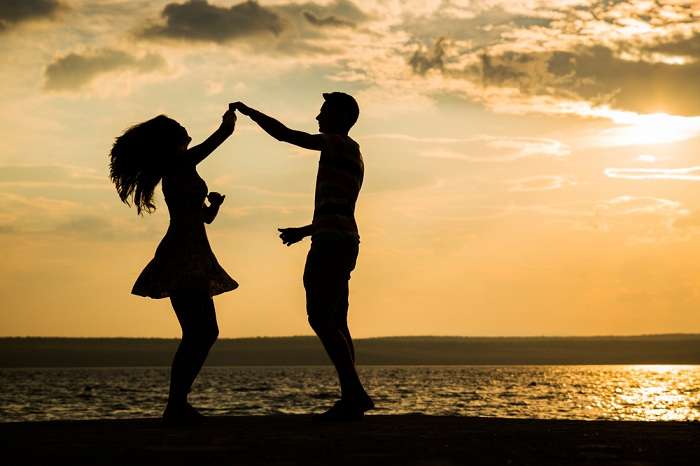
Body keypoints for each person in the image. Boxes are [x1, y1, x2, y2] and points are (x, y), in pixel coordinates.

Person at [231, 93, 373, 421]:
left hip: (332, 242)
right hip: (341, 237)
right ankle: (351, 397)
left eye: (323, 111)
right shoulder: (352, 154)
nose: (317, 117)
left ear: (339, 117)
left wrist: (252, 112)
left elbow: (285, 135)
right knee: (337, 320)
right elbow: (337, 208)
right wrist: (305, 230)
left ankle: (354, 393)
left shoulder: (338, 144)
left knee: (321, 318)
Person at [108, 108, 238, 425]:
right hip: (183, 254)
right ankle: (176, 404)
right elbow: (219, 139)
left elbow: (201, 217)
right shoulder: (180, 162)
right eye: (178, 125)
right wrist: (228, 123)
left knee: (201, 331)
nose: (184, 124)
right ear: (171, 140)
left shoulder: (180, 167)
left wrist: (213, 207)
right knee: (202, 331)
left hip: (192, 250)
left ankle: (177, 404)